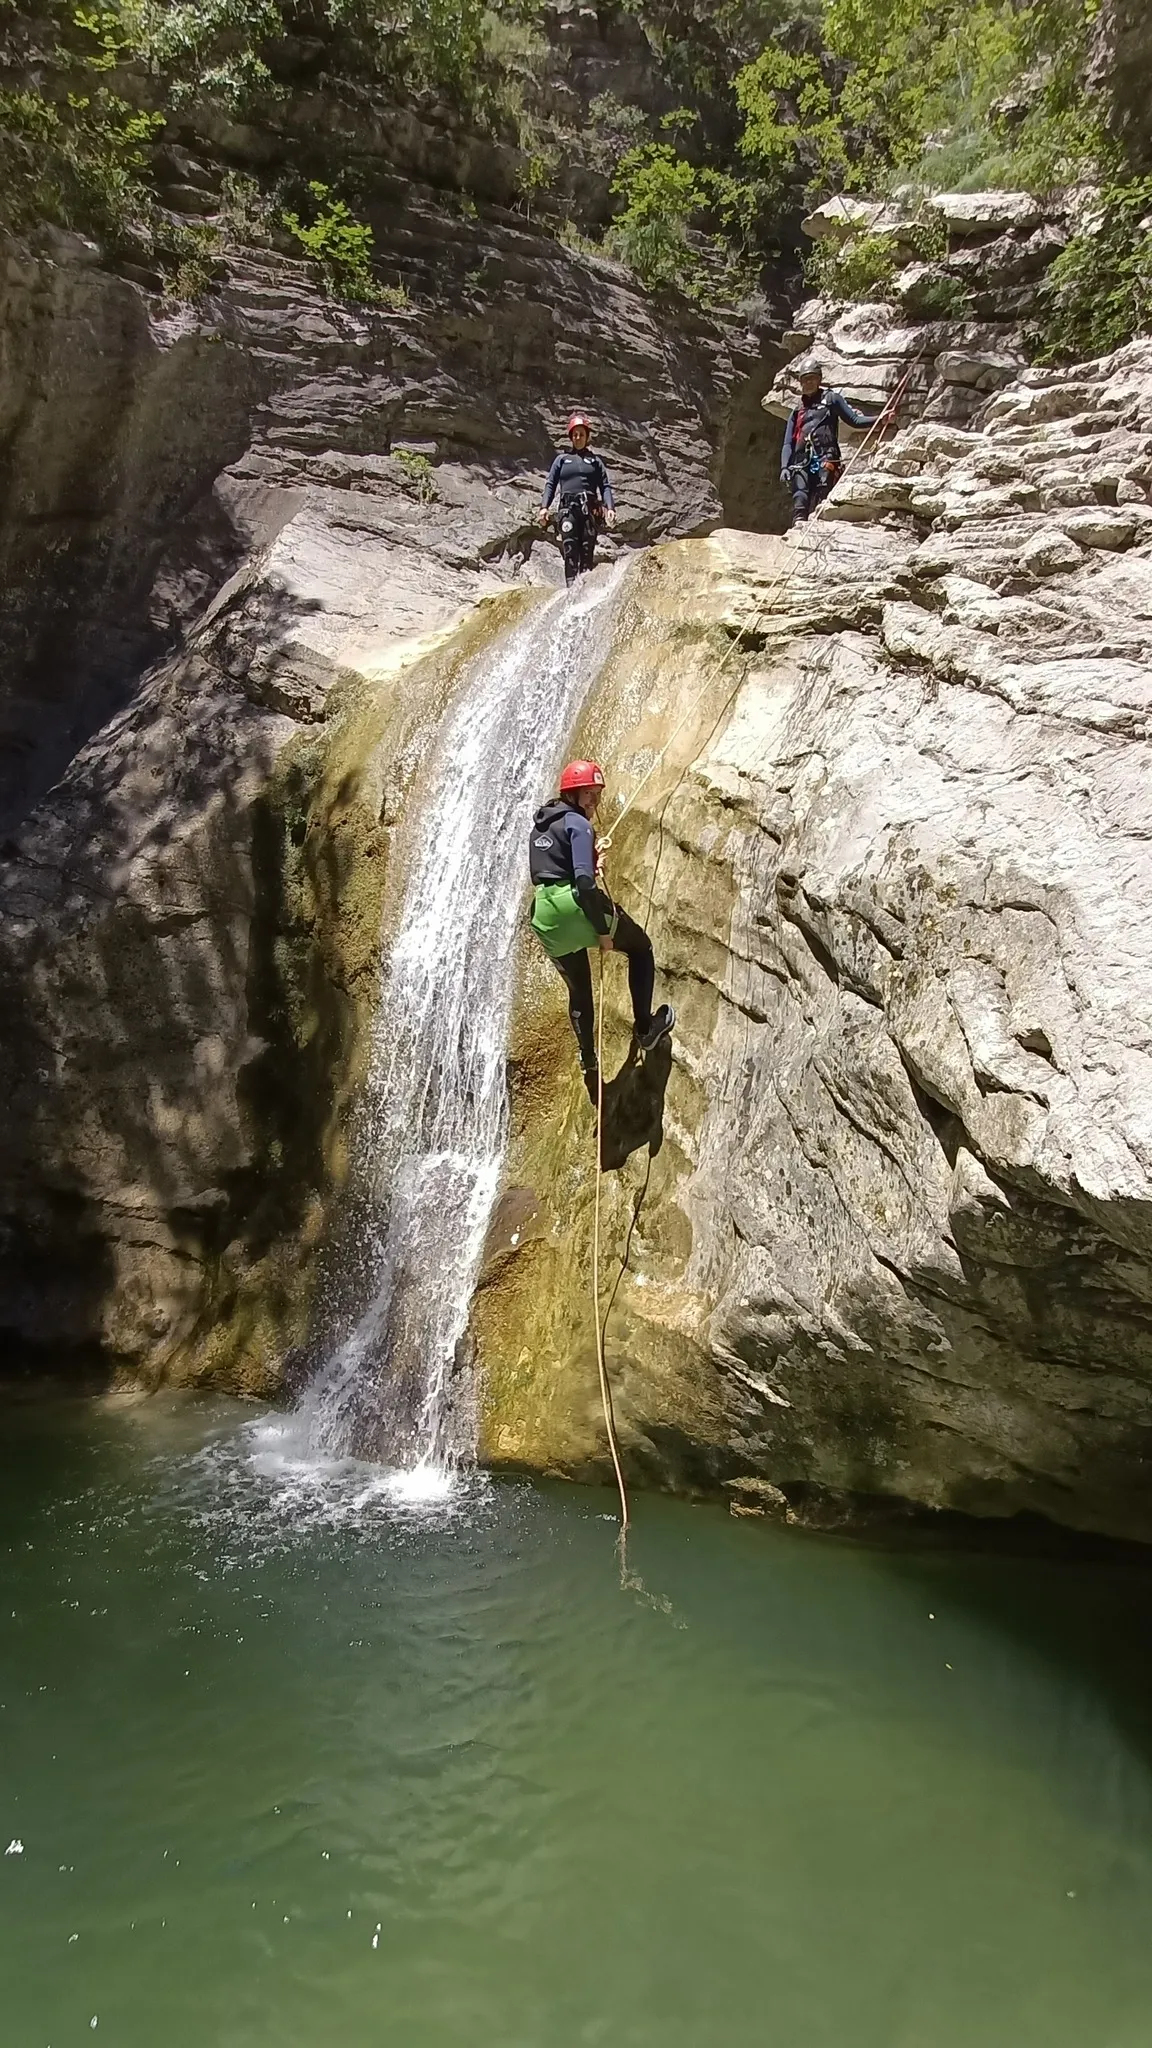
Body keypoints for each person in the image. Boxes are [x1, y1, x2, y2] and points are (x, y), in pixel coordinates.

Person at [528, 759, 674, 1101]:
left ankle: (588, 1060)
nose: (594, 802)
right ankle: (646, 1030)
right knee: (640, 948)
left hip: (545, 914)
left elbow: (553, 870)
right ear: (572, 793)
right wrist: (602, 933)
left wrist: (591, 862)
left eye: (597, 795)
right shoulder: (578, 824)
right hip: (576, 905)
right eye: (589, 794)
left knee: (579, 990)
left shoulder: (541, 827)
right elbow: (581, 883)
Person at [780, 356, 891, 523]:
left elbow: (854, 420)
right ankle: (798, 526)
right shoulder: (797, 411)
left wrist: (879, 419)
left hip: (826, 457)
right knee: (800, 494)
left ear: (819, 379)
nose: (808, 383)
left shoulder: (831, 399)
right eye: (805, 379)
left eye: (812, 378)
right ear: (800, 382)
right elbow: (788, 442)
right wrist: (784, 467)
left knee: (823, 491)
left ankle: (818, 523)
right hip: (801, 460)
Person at [538, 413, 617, 585]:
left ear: (587, 436)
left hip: (589, 512)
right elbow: (550, 484)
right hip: (568, 510)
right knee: (570, 550)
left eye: (581, 434)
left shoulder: (596, 462)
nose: (578, 437)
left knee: (587, 551)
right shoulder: (562, 460)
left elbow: (605, 486)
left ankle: (584, 590)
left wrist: (610, 508)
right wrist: (544, 507)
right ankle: (571, 588)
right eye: (575, 434)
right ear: (571, 437)